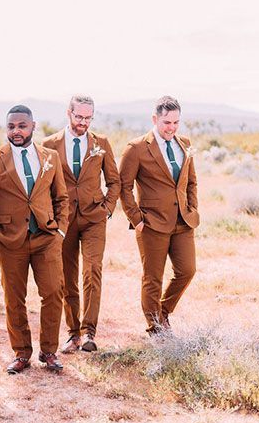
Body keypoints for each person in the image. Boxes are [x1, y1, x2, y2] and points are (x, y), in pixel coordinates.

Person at [0, 105, 68, 374]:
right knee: (14, 298)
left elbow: (61, 197)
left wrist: (61, 232)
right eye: (11, 126)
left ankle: (49, 351)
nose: (16, 131)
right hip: (9, 241)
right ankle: (21, 353)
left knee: (54, 292)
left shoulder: (50, 156)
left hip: (46, 236)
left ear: (33, 125)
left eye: (22, 125)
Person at [42, 95, 120, 352]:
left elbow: (114, 181)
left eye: (88, 118)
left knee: (92, 270)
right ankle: (73, 332)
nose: (83, 122)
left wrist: (107, 209)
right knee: (66, 276)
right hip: (63, 221)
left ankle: (89, 332)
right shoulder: (49, 144)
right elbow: (44, 185)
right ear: (69, 113)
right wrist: (51, 218)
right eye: (79, 117)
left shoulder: (102, 143)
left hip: (94, 218)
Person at [118, 96, 199, 334]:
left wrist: (192, 208)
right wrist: (137, 219)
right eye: (166, 122)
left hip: (183, 222)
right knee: (153, 278)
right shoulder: (137, 148)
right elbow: (124, 186)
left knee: (187, 271)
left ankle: (162, 312)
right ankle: (155, 327)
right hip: (152, 224)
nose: (171, 127)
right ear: (155, 119)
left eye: (175, 122)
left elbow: (191, 181)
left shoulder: (184, 143)